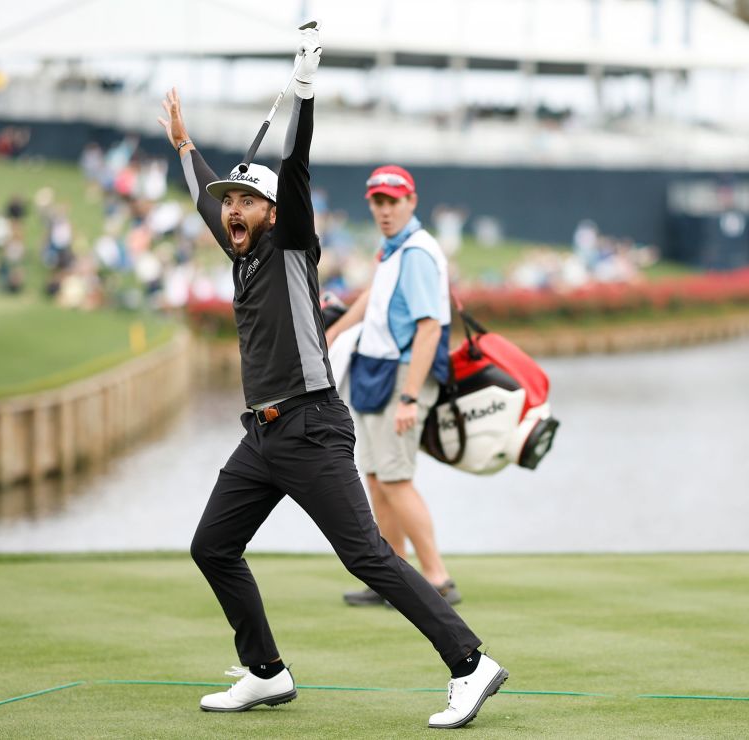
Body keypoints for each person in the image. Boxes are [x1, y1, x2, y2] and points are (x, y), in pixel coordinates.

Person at [156, 26, 507, 730]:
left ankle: (470, 664)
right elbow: (204, 197)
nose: (231, 212)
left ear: (273, 213)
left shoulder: (289, 245)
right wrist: (187, 150)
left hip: (312, 426)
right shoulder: (242, 252)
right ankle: (265, 672)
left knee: (367, 557)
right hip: (262, 437)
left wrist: (305, 97)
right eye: (229, 207)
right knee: (212, 547)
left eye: (244, 203)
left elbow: (296, 167)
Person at [326, 166, 463, 609]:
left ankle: (437, 579)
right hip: (376, 368)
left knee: (396, 478)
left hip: (404, 374)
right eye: (378, 202)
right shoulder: (392, 247)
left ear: (411, 201)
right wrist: (332, 332)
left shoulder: (419, 251)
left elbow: (428, 329)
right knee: (376, 478)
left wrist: (408, 396)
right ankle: (394, 578)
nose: (384, 210)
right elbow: (372, 298)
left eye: (393, 201)